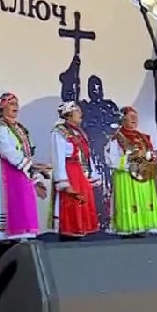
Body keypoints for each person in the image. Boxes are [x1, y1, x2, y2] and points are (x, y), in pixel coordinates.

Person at [0, 92, 48, 264]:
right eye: (11, 103)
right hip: (5, 176)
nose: (16, 106)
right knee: (6, 224)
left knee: (21, 219)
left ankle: (15, 263)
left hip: (21, 176)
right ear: (1, 106)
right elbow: (8, 152)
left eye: (16, 103)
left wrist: (36, 179)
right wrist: (33, 168)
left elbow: (26, 154)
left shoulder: (19, 128)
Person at [105, 106, 157, 237]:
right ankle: (129, 230)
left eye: (136, 116)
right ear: (122, 119)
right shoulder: (117, 138)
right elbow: (111, 160)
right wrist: (129, 159)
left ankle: (142, 228)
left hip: (143, 176)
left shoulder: (143, 137)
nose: (134, 119)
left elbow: (150, 154)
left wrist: (150, 159)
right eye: (131, 116)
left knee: (144, 203)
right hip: (126, 177)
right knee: (129, 204)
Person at [50, 101, 101, 241]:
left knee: (81, 203)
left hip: (80, 172)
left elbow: (86, 154)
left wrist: (92, 173)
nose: (81, 113)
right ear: (68, 114)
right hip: (69, 172)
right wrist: (63, 182)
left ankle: (80, 236)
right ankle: (68, 237)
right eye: (77, 111)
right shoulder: (60, 131)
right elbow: (58, 156)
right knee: (72, 203)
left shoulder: (79, 132)